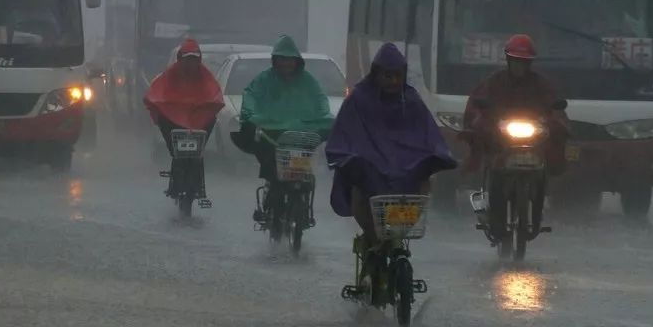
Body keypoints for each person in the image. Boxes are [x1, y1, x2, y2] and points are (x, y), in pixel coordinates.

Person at [326, 43, 457, 248]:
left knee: (425, 179)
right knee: (357, 182)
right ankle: (371, 236)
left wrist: (438, 155)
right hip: (370, 169)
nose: (393, 81)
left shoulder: (411, 100)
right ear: (377, 74)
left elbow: (427, 133)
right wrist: (351, 158)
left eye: (397, 76)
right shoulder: (359, 99)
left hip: (406, 171)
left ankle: (397, 234)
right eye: (388, 76)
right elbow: (345, 133)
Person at [459, 34, 569, 238]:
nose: (519, 66)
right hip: (501, 137)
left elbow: (554, 105)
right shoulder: (495, 81)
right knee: (484, 140)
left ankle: (538, 201)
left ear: (530, 63)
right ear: (509, 60)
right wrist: (485, 114)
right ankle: (492, 208)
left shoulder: (540, 83)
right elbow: (477, 101)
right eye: (516, 61)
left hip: (533, 136)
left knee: (555, 139)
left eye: (523, 62)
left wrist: (554, 116)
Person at [229, 34, 334, 221]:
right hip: (272, 135)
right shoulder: (264, 80)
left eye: (289, 60)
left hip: (301, 135)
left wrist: (323, 119)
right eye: (282, 59)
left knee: (306, 173)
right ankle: (271, 199)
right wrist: (251, 116)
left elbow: (320, 101)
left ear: (296, 61)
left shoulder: (308, 82)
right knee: (271, 167)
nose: (286, 64)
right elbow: (251, 96)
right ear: (275, 60)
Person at [143, 37, 224, 157]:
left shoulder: (204, 76)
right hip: (173, 121)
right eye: (187, 59)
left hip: (198, 121)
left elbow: (214, 95)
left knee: (212, 119)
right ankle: (174, 153)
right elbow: (156, 94)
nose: (190, 64)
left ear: (199, 60)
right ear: (180, 59)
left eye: (193, 59)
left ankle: (199, 151)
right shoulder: (170, 75)